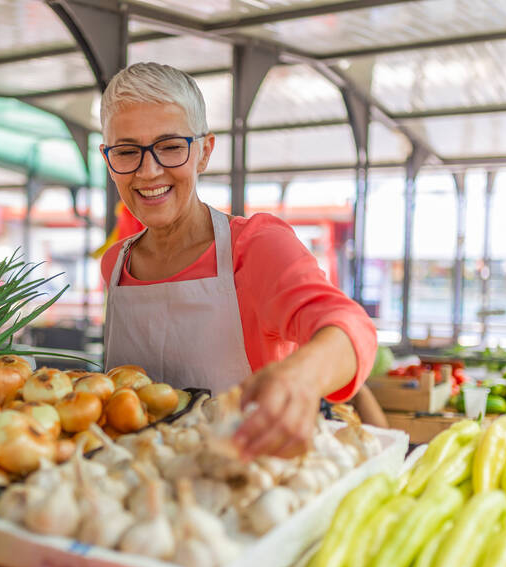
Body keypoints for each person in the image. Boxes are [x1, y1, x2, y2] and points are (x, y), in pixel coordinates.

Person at [97, 63, 378, 459]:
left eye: (171, 146)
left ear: (204, 152)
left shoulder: (257, 247)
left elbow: (353, 328)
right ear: (108, 159)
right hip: (129, 486)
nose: (149, 170)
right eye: (127, 151)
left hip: (238, 479)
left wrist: (301, 377)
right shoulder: (114, 265)